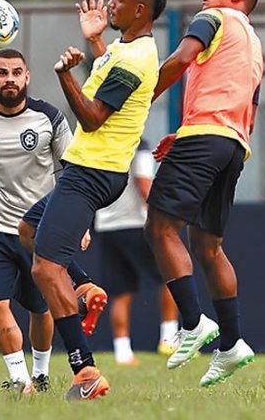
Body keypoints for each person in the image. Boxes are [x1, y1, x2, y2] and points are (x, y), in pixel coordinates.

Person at [25, 0, 167, 401]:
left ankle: (85, 372)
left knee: (46, 270)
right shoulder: (122, 50)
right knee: (29, 229)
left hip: (94, 173)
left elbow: (92, 117)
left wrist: (65, 75)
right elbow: (108, 76)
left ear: (140, 10)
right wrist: (95, 43)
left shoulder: (134, 59)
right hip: (87, 168)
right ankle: (84, 286)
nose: (111, 5)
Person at [0, 48, 101, 394]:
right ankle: (19, 379)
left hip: (39, 230)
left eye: (17, 72)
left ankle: (41, 373)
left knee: (38, 308)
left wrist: (81, 221)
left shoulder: (50, 118)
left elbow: (73, 172)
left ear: (27, 77)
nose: (10, 79)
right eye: (3, 73)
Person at [144, 0, 263, 387]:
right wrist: (188, 131)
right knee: (208, 246)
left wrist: (135, 104)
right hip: (232, 144)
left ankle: (193, 323)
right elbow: (244, 102)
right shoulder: (253, 43)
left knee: (159, 227)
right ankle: (231, 344)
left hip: (208, 137)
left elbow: (179, 60)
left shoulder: (213, 19)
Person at [92, 139, 178, 365]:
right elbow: (143, 186)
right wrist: (164, 215)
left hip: (107, 226)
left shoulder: (100, 146)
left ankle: (123, 352)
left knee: (121, 291)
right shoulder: (138, 145)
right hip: (137, 226)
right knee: (174, 275)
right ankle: (169, 340)